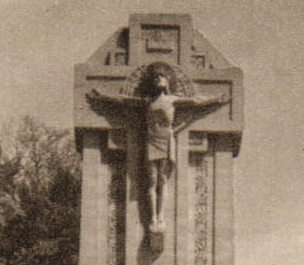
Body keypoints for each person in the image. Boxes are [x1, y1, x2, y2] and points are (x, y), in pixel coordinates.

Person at [89, 69, 228, 234]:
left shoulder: (173, 100)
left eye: (162, 77)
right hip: (151, 139)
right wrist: (103, 97)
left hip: (166, 139)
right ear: (153, 84)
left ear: (168, 83)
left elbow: (195, 101)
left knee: (162, 179)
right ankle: (153, 218)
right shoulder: (148, 101)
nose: (159, 79)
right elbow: (125, 100)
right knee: (152, 180)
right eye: (156, 77)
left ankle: (161, 216)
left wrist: (216, 99)